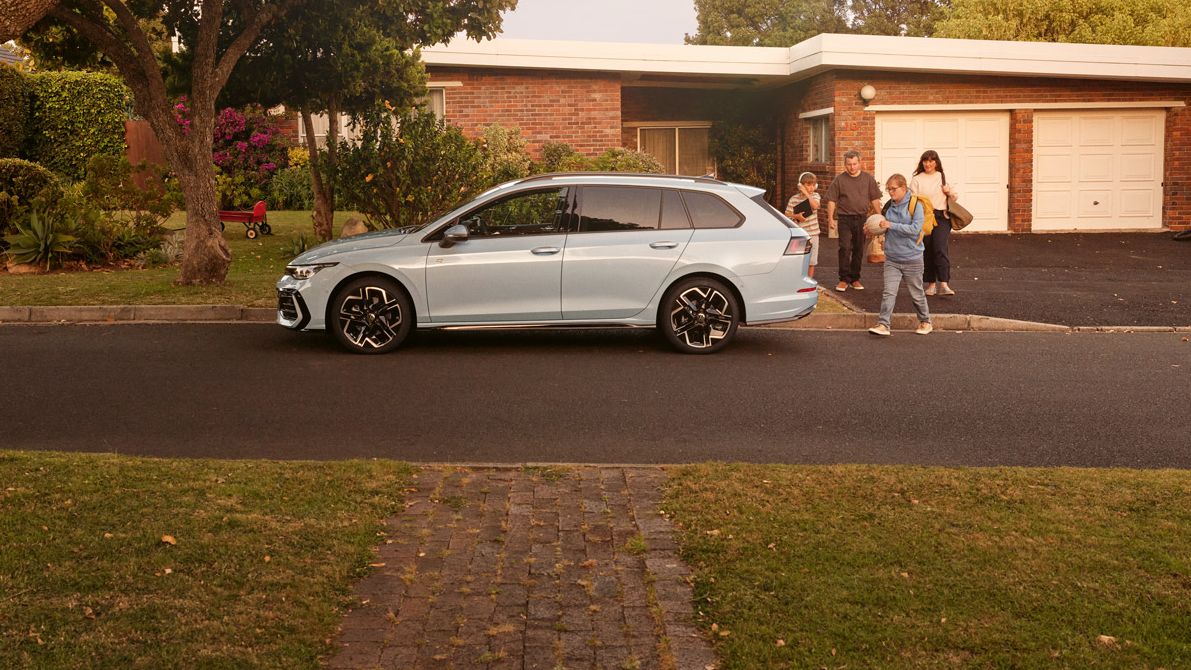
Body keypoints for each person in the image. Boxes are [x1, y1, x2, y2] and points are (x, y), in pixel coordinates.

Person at [868, 174, 932, 337]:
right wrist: (872, 227)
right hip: (892, 259)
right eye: (888, 189)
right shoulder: (889, 205)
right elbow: (883, 225)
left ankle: (925, 321)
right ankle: (883, 324)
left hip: (912, 258)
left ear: (903, 188)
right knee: (889, 293)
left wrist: (892, 225)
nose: (890, 192)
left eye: (893, 189)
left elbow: (915, 229)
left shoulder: (915, 205)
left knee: (917, 294)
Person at [825, 150, 882, 293]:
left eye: (855, 164)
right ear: (845, 164)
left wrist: (880, 216)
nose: (852, 167)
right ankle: (844, 279)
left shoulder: (868, 179)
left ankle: (855, 278)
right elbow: (832, 200)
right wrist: (830, 218)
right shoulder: (839, 180)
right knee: (844, 248)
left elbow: (874, 198)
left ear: (860, 163)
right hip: (844, 219)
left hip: (862, 219)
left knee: (858, 249)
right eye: (849, 164)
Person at [909, 150, 958, 296]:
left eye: (931, 161)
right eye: (925, 161)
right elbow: (912, 200)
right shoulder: (917, 179)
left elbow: (955, 197)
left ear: (936, 162)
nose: (928, 164)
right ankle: (931, 285)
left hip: (941, 216)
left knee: (940, 247)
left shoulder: (942, 177)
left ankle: (944, 284)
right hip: (924, 217)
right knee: (927, 250)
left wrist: (948, 192)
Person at [784, 171, 821, 278]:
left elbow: (815, 206)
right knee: (798, 260)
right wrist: (796, 216)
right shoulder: (794, 199)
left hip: (813, 234)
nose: (811, 187)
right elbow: (786, 214)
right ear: (800, 185)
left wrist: (807, 194)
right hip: (800, 234)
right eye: (808, 185)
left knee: (811, 261)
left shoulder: (815, 196)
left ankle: (809, 281)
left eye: (813, 185)